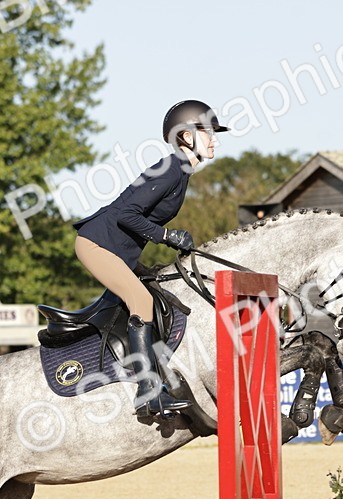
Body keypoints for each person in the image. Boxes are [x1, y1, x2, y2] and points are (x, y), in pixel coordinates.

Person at [72, 99, 228, 418]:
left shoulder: (180, 172)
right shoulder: (172, 168)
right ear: (185, 137)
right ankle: (147, 392)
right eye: (207, 132)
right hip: (96, 244)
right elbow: (128, 214)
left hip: (115, 250)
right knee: (141, 301)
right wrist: (167, 236)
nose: (214, 139)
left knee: (154, 294)